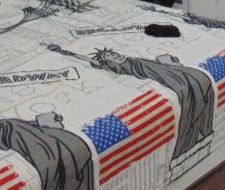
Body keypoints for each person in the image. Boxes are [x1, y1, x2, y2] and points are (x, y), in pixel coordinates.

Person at [44, 44, 215, 162]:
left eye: (113, 53)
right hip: (160, 75)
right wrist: (65, 52)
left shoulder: (133, 60)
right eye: (109, 57)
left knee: (193, 81)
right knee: (188, 88)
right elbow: (88, 59)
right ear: (107, 62)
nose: (114, 56)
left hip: (163, 69)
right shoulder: (118, 67)